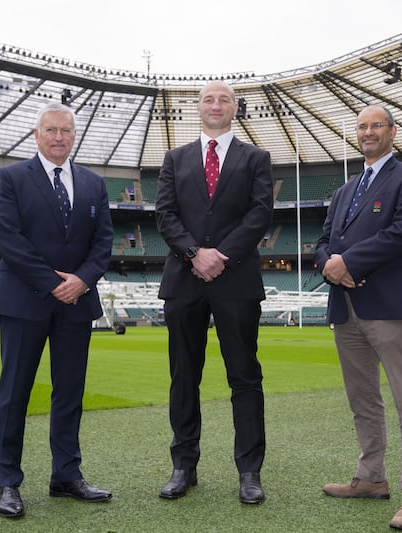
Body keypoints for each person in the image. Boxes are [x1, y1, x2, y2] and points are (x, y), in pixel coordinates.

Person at [0, 101, 114, 518]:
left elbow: (103, 243)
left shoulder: (94, 184)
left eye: (66, 130)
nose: (59, 137)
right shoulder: (11, 178)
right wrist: (54, 282)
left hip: (77, 303)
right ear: (36, 135)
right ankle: (8, 482)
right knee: (13, 394)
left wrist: (82, 281)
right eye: (51, 130)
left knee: (69, 394)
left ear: (73, 135)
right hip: (25, 301)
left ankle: (66, 476)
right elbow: (7, 239)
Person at [314, 104, 402, 531]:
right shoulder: (346, 189)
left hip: (390, 307)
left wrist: (347, 263)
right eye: (362, 127)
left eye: (375, 126)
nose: (367, 132)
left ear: (392, 132)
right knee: (363, 401)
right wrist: (329, 263)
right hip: (345, 309)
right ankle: (370, 478)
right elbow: (323, 240)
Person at [155, 80, 274, 504]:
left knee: (244, 377)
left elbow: (261, 213)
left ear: (236, 108)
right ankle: (183, 465)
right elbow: (165, 215)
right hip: (184, 280)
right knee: (184, 376)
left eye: (224, 99)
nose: (216, 104)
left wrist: (219, 254)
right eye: (209, 98)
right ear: (198, 108)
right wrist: (194, 254)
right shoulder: (174, 158)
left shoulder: (256, 158)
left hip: (236, 278)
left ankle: (249, 471)